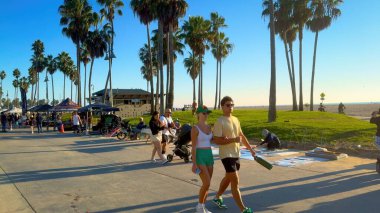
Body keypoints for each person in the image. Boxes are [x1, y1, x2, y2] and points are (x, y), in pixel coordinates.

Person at [212, 96, 256, 213]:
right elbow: (216, 140)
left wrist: (250, 149)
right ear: (222, 107)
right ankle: (243, 209)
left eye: (232, 105)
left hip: (236, 153)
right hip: (226, 155)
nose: (230, 107)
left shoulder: (236, 119)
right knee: (235, 180)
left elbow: (241, 136)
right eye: (228, 105)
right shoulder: (219, 121)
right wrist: (232, 140)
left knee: (228, 177)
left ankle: (217, 197)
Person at [191, 105, 214, 213]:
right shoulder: (195, 129)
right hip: (200, 155)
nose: (206, 115)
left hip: (209, 154)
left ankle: (203, 206)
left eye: (207, 113)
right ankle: (199, 207)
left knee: (208, 184)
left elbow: (213, 141)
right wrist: (194, 163)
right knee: (207, 183)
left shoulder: (209, 127)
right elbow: (194, 146)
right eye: (204, 113)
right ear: (198, 114)